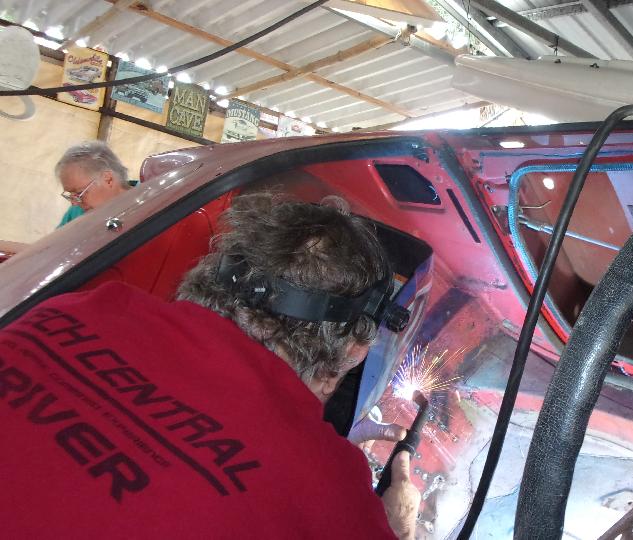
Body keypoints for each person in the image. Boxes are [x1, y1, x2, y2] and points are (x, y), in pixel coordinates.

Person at [0, 193, 421, 538]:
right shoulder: (330, 496)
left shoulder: (79, 309)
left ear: (214, 268)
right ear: (354, 351)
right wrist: (392, 527)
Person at [56, 140, 137, 227]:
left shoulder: (146, 203)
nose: (74, 204)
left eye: (79, 193)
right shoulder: (75, 213)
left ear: (108, 179)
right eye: (70, 196)